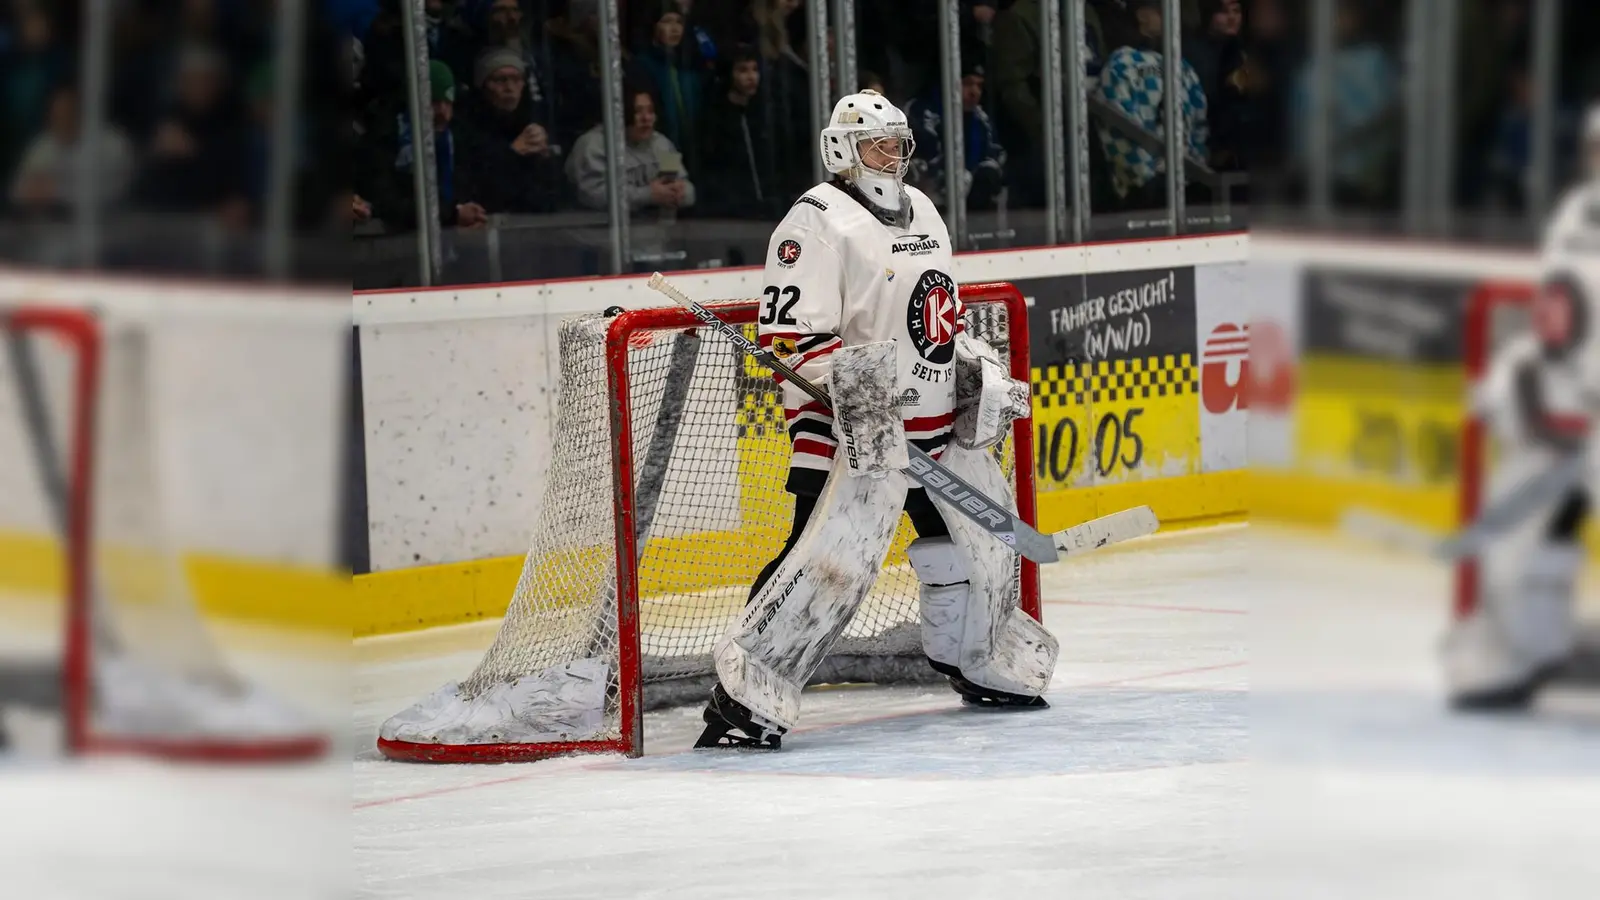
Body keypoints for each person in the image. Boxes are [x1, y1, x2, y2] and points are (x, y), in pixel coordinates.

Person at [694, 90, 1051, 750]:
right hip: (847, 433)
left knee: (968, 549)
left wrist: (971, 364)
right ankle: (743, 695)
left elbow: (940, 309)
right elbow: (795, 340)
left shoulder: (924, 210)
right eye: (879, 144)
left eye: (900, 142)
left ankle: (973, 661)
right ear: (842, 150)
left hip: (932, 425)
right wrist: (864, 402)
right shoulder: (816, 220)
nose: (896, 155)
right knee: (822, 561)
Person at [1445, 105, 1600, 710]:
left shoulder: (1574, 215)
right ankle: (1528, 651)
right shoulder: (1574, 214)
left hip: (1571, 411)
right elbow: (1559, 320)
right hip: (1566, 412)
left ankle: (1525, 651)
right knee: (1529, 531)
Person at [1094, 0, 1209, 208]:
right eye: (1161, 11)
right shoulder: (1121, 64)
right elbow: (1117, 129)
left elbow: (1199, 122)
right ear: (1143, 15)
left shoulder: (1182, 67)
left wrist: (1195, 172)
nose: (1172, 18)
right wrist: (1146, 179)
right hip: (1144, 194)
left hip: (1185, 185)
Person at [454, 47, 564, 214]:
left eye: (516, 79)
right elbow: (477, 190)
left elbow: (556, 195)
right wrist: (513, 153)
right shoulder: (467, 129)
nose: (509, 87)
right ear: (483, 86)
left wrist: (545, 157)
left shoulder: (533, 121)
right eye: (500, 80)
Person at [566, 86, 695, 215]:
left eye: (650, 111)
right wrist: (648, 195)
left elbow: (686, 186)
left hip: (652, 228)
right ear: (620, 114)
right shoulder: (593, 145)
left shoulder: (663, 144)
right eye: (638, 111)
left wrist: (679, 192)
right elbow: (593, 196)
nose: (646, 118)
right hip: (595, 228)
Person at [904, 62, 1006, 211]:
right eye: (967, 84)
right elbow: (924, 156)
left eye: (979, 86)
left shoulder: (981, 119)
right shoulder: (920, 110)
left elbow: (994, 155)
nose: (974, 92)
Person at [697, 44, 778, 218]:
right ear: (729, 74)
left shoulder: (764, 113)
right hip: (729, 210)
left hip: (767, 209)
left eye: (755, 70)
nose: (751, 77)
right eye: (743, 70)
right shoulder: (714, 116)